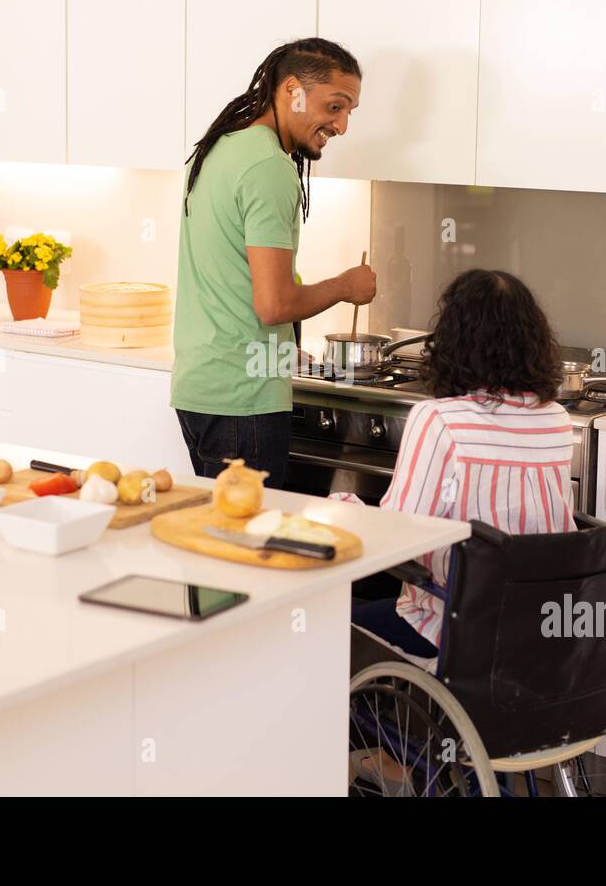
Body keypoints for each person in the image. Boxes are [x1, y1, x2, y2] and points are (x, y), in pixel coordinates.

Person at [172, 38, 377, 487]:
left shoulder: (220, 149)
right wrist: (346, 285)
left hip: (202, 385)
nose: (342, 125)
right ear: (292, 91)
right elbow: (274, 305)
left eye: (349, 112)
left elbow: (234, 285)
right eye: (335, 106)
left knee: (223, 541)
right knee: (250, 547)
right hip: (242, 400)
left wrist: (280, 352)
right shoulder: (269, 167)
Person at [350, 269, 575, 661]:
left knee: (322, 627)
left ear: (452, 341)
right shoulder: (555, 419)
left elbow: (397, 534)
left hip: (453, 629)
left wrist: (344, 510)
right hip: (539, 628)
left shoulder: (438, 419)